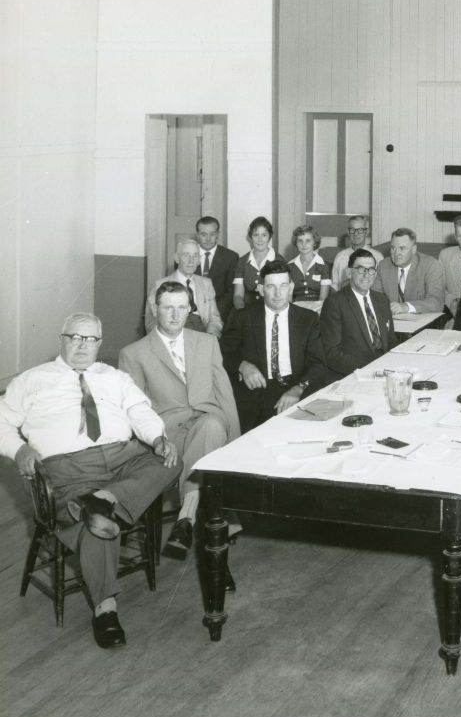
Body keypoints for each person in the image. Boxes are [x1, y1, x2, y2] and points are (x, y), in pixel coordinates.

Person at [0, 313, 180, 648]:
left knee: (170, 458)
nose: (82, 346)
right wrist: (18, 449)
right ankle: (105, 609)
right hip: (69, 469)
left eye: (90, 339)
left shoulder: (114, 376)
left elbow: (139, 410)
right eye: (75, 338)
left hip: (123, 458)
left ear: (99, 343)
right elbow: (1, 422)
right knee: (98, 525)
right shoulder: (32, 379)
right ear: (61, 339)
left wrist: (157, 437)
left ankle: (105, 499)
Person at [120, 282, 240, 559]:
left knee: (211, 425)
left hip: (211, 420)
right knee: (207, 438)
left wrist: (236, 443)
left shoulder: (207, 342)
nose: (175, 315)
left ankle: (186, 519)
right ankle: (210, 514)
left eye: (182, 307)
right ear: (155, 309)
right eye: (168, 308)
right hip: (168, 434)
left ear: (190, 310)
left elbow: (225, 394)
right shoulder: (133, 353)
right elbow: (135, 410)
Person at [221, 260, 326, 432]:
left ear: (291, 287)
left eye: (283, 286)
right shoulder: (243, 317)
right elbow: (223, 353)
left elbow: (319, 363)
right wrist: (243, 366)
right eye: (271, 287)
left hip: (297, 385)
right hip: (258, 389)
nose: (278, 293)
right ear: (261, 289)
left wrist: (298, 388)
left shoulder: (308, 319)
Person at [320, 249, 396, 381]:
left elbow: (391, 341)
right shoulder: (334, 303)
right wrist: (371, 370)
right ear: (349, 273)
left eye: (371, 270)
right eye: (361, 269)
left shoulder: (382, 299)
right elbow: (332, 354)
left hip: (384, 372)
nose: (367, 275)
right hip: (352, 375)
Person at [145, 239, 223, 338]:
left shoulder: (206, 284)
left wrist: (210, 338)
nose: (191, 261)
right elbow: (151, 323)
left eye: (195, 256)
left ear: (199, 260)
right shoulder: (160, 285)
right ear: (177, 258)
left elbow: (215, 319)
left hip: (202, 335)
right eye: (186, 255)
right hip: (173, 336)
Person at [371, 227, 446, 314]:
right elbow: (374, 298)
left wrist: (406, 307)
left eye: (402, 248)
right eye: (393, 248)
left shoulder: (431, 265)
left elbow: (436, 303)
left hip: (423, 320)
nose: (396, 253)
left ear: (413, 249)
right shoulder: (383, 266)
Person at [232, 216, 285, 311]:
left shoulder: (280, 261)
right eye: (256, 235)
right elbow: (238, 295)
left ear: (270, 236)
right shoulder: (242, 261)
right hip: (246, 310)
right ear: (250, 237)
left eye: (264, 235)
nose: (260, 240)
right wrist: (243, 313)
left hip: (273, 310)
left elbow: (283, 296)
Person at [195, 215, 239, 324]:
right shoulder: (187, 255)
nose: (208, 239)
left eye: (212, 234)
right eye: (204, 234)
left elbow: (232, 290)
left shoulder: (231, 257)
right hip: (193, 314)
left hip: (220, 314)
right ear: (197, 235)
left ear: (218, 234)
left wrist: (213, 312)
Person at [330, 215, 384, 291]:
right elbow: (334, 286)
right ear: (348, 232)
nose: (356, 234)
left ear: (367, 232)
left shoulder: (378, 257)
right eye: (352, 230)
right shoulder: (340, 257)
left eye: (360, 230)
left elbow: (381, 287)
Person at [287, 224, 331, 306]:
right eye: (300, 241)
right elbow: (288, 298)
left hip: (317, 309)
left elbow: (323, 299)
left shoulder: (324, 266)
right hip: (296, 308)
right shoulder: (289, 266)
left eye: (308, 240)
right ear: (296, 243)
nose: (304, 244)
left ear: (314, 242)